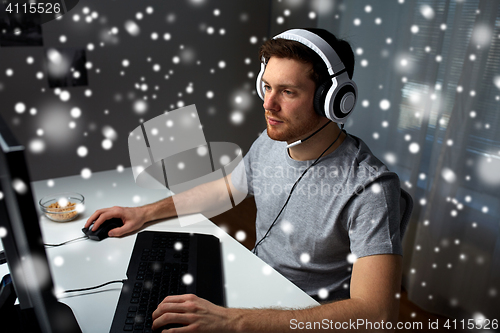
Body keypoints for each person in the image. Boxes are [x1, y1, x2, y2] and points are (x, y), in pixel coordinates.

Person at [86, 28, 403, 332]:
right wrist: (143, 213)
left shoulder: (370, 188)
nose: (268, 104)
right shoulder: (272, 141)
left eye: (287, 92)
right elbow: (226, 189)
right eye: (266, 87)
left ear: (332, 100)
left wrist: (233, 322)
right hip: (250, 289)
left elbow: (376, 314)